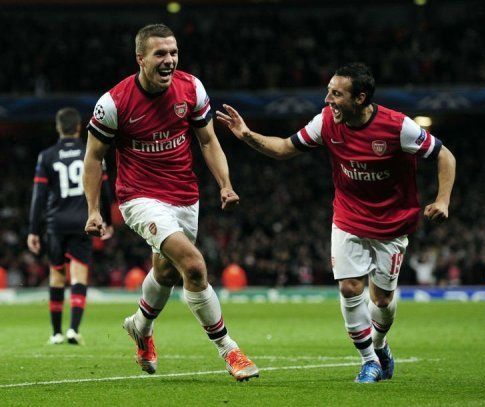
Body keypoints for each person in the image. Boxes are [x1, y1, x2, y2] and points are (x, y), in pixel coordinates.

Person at [217, 62, 456, 383]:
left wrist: (442, 199)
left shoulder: (398, 127)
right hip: (348, 217)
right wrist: (247, 136)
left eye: (336, 94)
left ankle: (380, 345)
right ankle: (369, 361)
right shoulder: (326, 122)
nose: (328, 100)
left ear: (360, 99)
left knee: (382, 300)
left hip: (392, 223)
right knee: (349, 287)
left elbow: (445, 155)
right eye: (328, 92)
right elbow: (285, 148)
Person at [83, 24, 259, 381]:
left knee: (165, 271)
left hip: (184, 195)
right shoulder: (113, 103)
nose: (169, 60)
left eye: (173, 53)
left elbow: (208, 141)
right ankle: (230, 351)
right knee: (193, 266)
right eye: (160, 54)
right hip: (139, 197)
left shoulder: (191, 88)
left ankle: (140, 327)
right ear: (140, 59)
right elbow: (93, 157)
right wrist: (93, 210)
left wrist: (225, 185)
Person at [27, 107, 113, 345]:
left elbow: (39, 196)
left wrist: (34, 229)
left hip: (56, 223)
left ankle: (55, 333)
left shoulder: (46, 156)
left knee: (56, 275)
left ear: (58, 127)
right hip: (82, 221)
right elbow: (104, 190)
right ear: (78, 127)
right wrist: (107, 219)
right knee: (78, 274)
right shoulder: (91, 152)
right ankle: (73, 329)